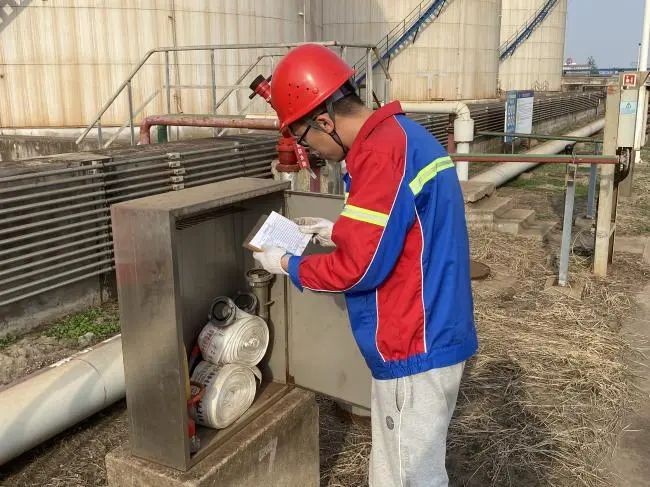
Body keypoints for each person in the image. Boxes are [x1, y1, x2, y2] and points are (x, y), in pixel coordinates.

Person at [253, 44, 478, 487]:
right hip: (433, 326)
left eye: (305, 139)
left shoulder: (380, 155)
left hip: (413, 343)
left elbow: (357, 269)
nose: (311, 150)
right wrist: (336, 230)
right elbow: (401, 228)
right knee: (401, 465)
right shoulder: (403, 136)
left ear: (324, 122)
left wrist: (287, 264)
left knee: (408, 476)